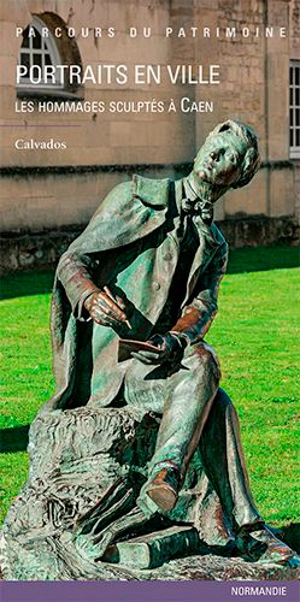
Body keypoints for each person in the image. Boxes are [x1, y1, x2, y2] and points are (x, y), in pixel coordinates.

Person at [41, 120, 297, 565]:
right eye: (218, 144)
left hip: (155, 365)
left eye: (232, 157)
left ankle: (185, 489)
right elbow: (73, 260)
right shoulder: (134, 197)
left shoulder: (214, 245)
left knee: (209, 387)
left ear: (236, 179)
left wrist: (173, 341)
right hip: (109, 367)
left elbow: (203, 306)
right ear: (204, 146)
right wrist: (89, 296)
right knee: (210, 384)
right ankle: (230, 516)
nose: (218, 156)